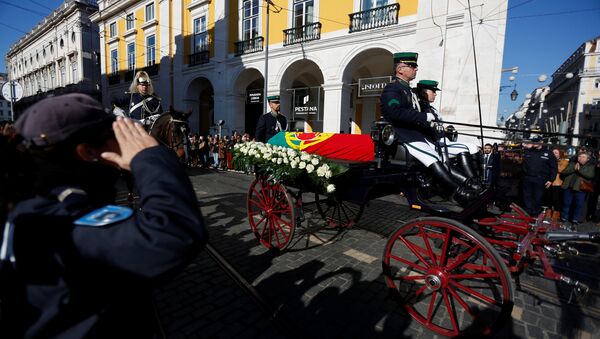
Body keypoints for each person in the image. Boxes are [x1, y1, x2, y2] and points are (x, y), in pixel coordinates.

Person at [0, 93, 207, 338]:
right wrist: (149, 156)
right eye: (113, 138)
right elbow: (173, 232)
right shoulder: (56, 220)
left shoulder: (29, 200)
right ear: (87, 152)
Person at [380, 52, 480, 205]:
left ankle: (470, 184)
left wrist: (430, 123)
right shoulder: (393, 89)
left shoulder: (407, 90)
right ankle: (458, 193)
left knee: (439, 158)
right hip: (404, 137)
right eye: (412, 66)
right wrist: (424, 118)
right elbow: (395, 112)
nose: (416, 69)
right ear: (400, 69)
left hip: (416, 136)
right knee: (432, 158)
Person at [415, 79, 482, 188]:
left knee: (473, 147)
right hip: (432, 143)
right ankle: (472, 183)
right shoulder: (420, 108)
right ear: (423, 92)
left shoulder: (432, 109)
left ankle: (476, 180)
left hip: (442, 140)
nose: (435, 94)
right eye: (433, 91)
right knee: (464, 149)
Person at [521, 135, 558, 217]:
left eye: (536, 141)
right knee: (527, 197)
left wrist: (551, 179)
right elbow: (522, 165)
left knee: (538, 198)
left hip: (540, 179)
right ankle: (527, 214)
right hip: (528, 178)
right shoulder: (528, 151)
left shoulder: (548, 153)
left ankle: (535, 215)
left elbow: (554, 167)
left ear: (541, 142)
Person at [561, 151, 595, 225]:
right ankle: (564, 218)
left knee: (578, 205)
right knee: (566, 204)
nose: (580, 158)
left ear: (588, 159)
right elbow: (564, 172)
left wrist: (578, 170)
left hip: (580, 189)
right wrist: (573, 169)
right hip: (568, 187)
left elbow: (590, 176)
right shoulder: (572, 164)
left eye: (583, 157)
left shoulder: (590, 166)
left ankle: (575, 220)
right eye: (579, 156)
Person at [544, 147, 569, 221]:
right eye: (553, 152)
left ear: (560, 154)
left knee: (556, 200)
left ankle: (556, 214)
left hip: (557, 182)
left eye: (556, 153)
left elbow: (561, 170)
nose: (554, 154)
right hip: (549, 182)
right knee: (548, 199)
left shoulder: (564, 161)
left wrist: (552, 164)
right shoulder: (549, 160)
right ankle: (548, 212)